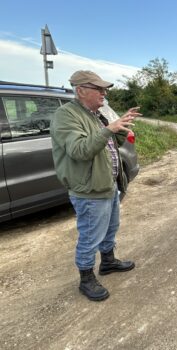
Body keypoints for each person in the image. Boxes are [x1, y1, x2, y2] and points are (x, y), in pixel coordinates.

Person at [50, 70, 140, 301]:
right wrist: (109, 129)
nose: (104, 93)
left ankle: (108, 262)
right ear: (81, 90)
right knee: (90, 235)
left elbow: (109, 142)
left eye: (104, 89)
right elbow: (80, 150)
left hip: (107, 184)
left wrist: (122, 128)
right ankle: (86, 278)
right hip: (89, 190)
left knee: (110, 228)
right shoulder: (66, 115)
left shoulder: (95, 114)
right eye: (98, 89)